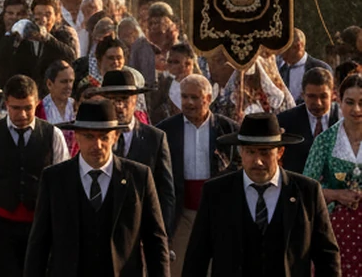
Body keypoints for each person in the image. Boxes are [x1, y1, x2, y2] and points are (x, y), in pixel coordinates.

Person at [22, 98, 170, 277]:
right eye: (89, 136)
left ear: (115, 136)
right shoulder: (54, 179)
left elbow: (155, 241)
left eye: (104, 137)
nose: (97, 145)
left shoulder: (138, 177)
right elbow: (39, 242)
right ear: (77, 135)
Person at [183, 111, 340, 277]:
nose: (257, 161)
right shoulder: (216, 193)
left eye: (265, 152)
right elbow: (197, 257)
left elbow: (326, 256)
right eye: (250, 152)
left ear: (280, 152)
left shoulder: (307, 191)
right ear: (241, 152)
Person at [0, 74, 68, 277]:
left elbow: (63, 186)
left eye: (27, 108)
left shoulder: (53, 135)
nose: (22, 114)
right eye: (16, 108)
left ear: (36, 104)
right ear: (7, 104)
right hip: (1, 228)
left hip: (41, 227)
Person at [155, 74, 234, 264]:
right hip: (181, 212)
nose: (188, 102)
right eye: (184, 97)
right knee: (179, 264)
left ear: (208, 98)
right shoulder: (165, 131)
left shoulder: (227, 129)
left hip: (216, 210)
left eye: (195, 97)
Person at [96, 67, 177, 237]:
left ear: (135, 100)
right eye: (112, 99)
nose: (119, 106)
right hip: (101, 231)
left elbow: (165, 193)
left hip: (141, 232)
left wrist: (163, 236)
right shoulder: (94, 138)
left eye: (124, 99)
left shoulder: (155, 138)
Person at [302, 71, 362, 271]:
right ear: (339, 100)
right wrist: (337, 194)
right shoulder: (325, 141)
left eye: (361, 102)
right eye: (350, 102)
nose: (357, 109)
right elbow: (305, 189)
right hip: (335, 232)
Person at [0, 0, 77, 88]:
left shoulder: (63, 35)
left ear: (56, 16)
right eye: (39, 14)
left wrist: (47, 39)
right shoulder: (24, 38)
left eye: (48, 14)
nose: (43, 19)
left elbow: (70, 56)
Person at [279, 66, 338, 174]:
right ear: (303, 95)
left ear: (333, 94)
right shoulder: (286, 121)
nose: (318, 103)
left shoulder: (345, 119)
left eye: (323, 96)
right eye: (312, 96)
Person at [277, 29, 331, 104]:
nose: (282, 54)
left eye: (285, 50)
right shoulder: (281, 70)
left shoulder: (320, 68)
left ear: (298, 46)